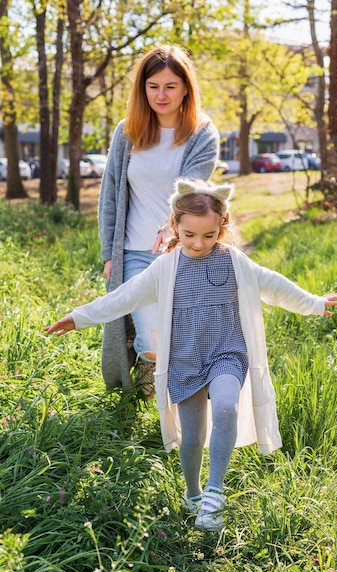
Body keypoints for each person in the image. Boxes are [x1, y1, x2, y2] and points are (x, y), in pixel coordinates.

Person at [45, 178, 337, 531]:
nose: (199, 243)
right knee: (192, 439)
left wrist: (314, 303)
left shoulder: (235, 261)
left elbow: (274, 284)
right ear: (175, 225)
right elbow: (123, 297)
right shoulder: (165, 268)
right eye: (189, 235)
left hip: (226, 353)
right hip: (184, 359)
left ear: (222, 226)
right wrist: (79, 317)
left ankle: (215, 491)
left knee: (226, 407)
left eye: (209, 235)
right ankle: (194, 493)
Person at [98, 44, 219, 395]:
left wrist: (171, 227)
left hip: (182, 253)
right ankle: (150, 370)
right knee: (153, 339)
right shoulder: (127, 132)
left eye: (170, 86)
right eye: (153, 86)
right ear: (143, 88)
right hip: (134, 252)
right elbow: (110, 197)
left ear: (185, 88)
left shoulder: (202, 132)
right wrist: (110, 254)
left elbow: (193, 190)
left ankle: (178, 401)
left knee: (184, 334)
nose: (161, 95)